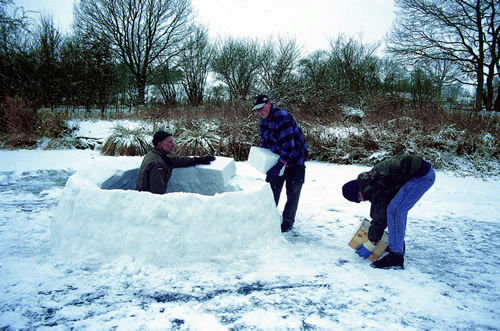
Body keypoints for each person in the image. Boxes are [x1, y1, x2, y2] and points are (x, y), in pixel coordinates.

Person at [342, 154, 435, 269]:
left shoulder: (376, 184)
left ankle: (396, 258)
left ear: (358, 191)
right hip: (419, 173)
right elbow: (378, 209)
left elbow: (381, 216)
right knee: (394, 209)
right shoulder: (369, 181)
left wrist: (371, 243)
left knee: (395, 211)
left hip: (422, 176)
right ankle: (396, 244)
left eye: (359, 198)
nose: (362, 200)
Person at [251, 94, 309, 232]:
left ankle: (287, 223)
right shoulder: (263, 120)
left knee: (293, 192)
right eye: (257, 109)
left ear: (269, 104)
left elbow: (289, 146)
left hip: (295, 160)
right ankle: (269, 218)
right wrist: (262, 157)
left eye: (261, 108)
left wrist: (279, 166)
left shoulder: (281, 117)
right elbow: (264, 141)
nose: (259, 112)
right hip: (277, 159)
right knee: (272, 190)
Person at [136, 131, 215, 194]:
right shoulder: (157, 164)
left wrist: (198, 160)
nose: (173, 145)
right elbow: (156, 193)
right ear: (159, 144)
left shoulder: (156, 155)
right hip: (148, 204)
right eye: (170, 142)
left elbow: (176, 161)